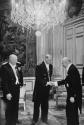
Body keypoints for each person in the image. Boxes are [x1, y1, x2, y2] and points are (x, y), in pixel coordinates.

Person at [53, 57, 82, 125]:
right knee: (70, 114)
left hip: (72, 97)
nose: (62, 64)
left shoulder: (72, 70)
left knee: (72, 115)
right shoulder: (71, 69)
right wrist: (55, 83)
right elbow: (66, 80)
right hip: (71, 96)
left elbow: (75, 85)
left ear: (66, 62)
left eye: (62, 63)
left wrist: (73, 96)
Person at [0, 53, 23, 125]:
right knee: (9, 107)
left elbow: (20, 75)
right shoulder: (4, 67)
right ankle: (9, 121)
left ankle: (15, 119)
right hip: (9, 90)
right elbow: (4, 82)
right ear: (11, 60)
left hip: (16, 89)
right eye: (16, 59)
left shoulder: (18, 65)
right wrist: (7, 92)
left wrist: (20, 83)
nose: (17, 60)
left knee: (16, 105)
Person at [32, 54, 53, 125]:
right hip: (39, 89)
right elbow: (38, 78)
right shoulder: (39, 66)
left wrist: (50, 86)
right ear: (46, 59)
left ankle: (44, 119)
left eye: (51, 59)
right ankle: (35, 119)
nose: (51, 61)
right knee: (36, 105)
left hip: (46, 89)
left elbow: (49, 76)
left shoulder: (51, 66)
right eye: (49, 60)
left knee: (45, 105)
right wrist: (46, 83)